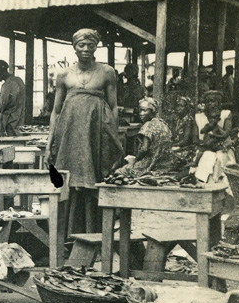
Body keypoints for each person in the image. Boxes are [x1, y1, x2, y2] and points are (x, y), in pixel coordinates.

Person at [46, 29, 124, 233]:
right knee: (69, 181)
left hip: (96, 133)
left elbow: (114, 106)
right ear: (74, 47)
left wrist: (113, 137)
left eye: (91, 45)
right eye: (82, 45)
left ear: (96, 46)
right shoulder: (64, 74)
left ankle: (96, 234)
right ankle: (70, 235)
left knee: (95, 179)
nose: (86, 49)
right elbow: (56, 111)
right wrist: (49, 144)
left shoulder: (107, 72)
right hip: (70, 135)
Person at [115, 97, 175, 176]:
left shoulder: (148, 125)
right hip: (165, 164)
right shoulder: (163, 124)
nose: (141, 113)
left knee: (118, 172)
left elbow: (144, 148)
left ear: (152, 111)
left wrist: (135, 160)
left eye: (144, 110)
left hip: (151, 164)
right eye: (140, 110)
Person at [0, 60, 26, 136]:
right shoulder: (19, 80)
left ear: (0, 71)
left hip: (11, 121)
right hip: (20, 118)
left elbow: (2, 105)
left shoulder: (7, 85)